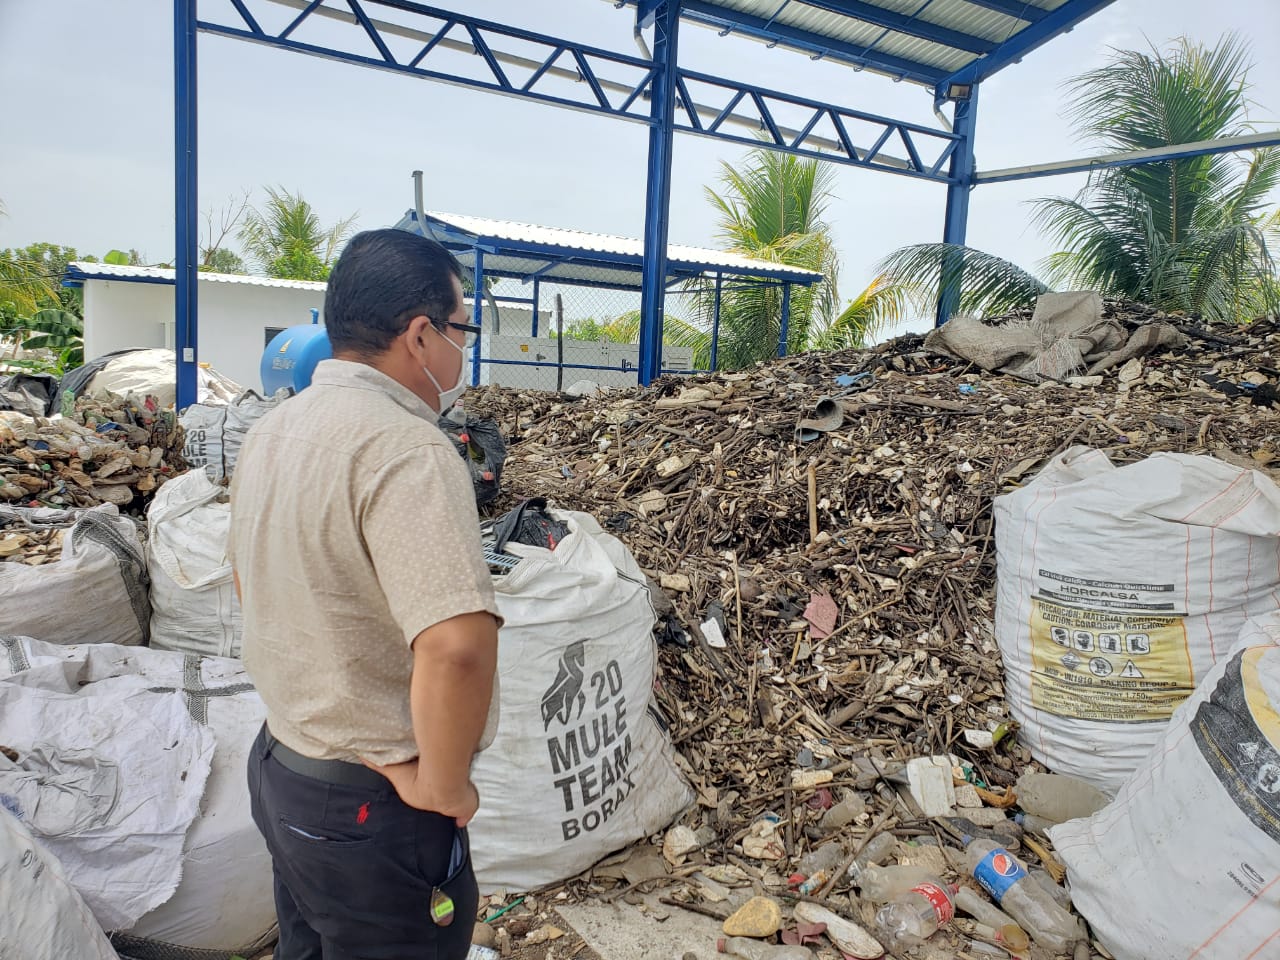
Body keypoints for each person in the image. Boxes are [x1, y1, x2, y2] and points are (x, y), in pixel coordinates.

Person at [229, 228, 501, 960]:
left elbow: (246, 580)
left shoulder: (274, 430)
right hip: (371, 811)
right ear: (421, 335)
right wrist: (446, 789)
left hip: (282, 770)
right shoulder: (407, 449)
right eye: (461, 328)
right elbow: (457, 647)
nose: (461, 350)